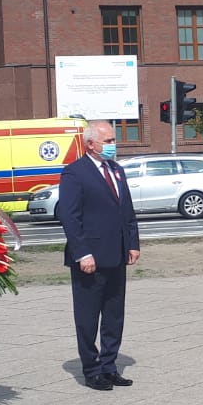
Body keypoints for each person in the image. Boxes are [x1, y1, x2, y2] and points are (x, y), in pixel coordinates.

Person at [56, 120, 141, 389]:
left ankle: (109, 365)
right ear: (90, 144)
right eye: (108, 141)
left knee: (114, 314)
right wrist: (83, 253)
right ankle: (91, 369)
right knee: (88, 316)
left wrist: (133, 243)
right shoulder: (74, 173)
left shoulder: (116, 170)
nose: (113, 146)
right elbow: (70, 216)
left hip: (116, 254)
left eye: (114, 141)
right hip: (90, 258)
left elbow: (126, 210)